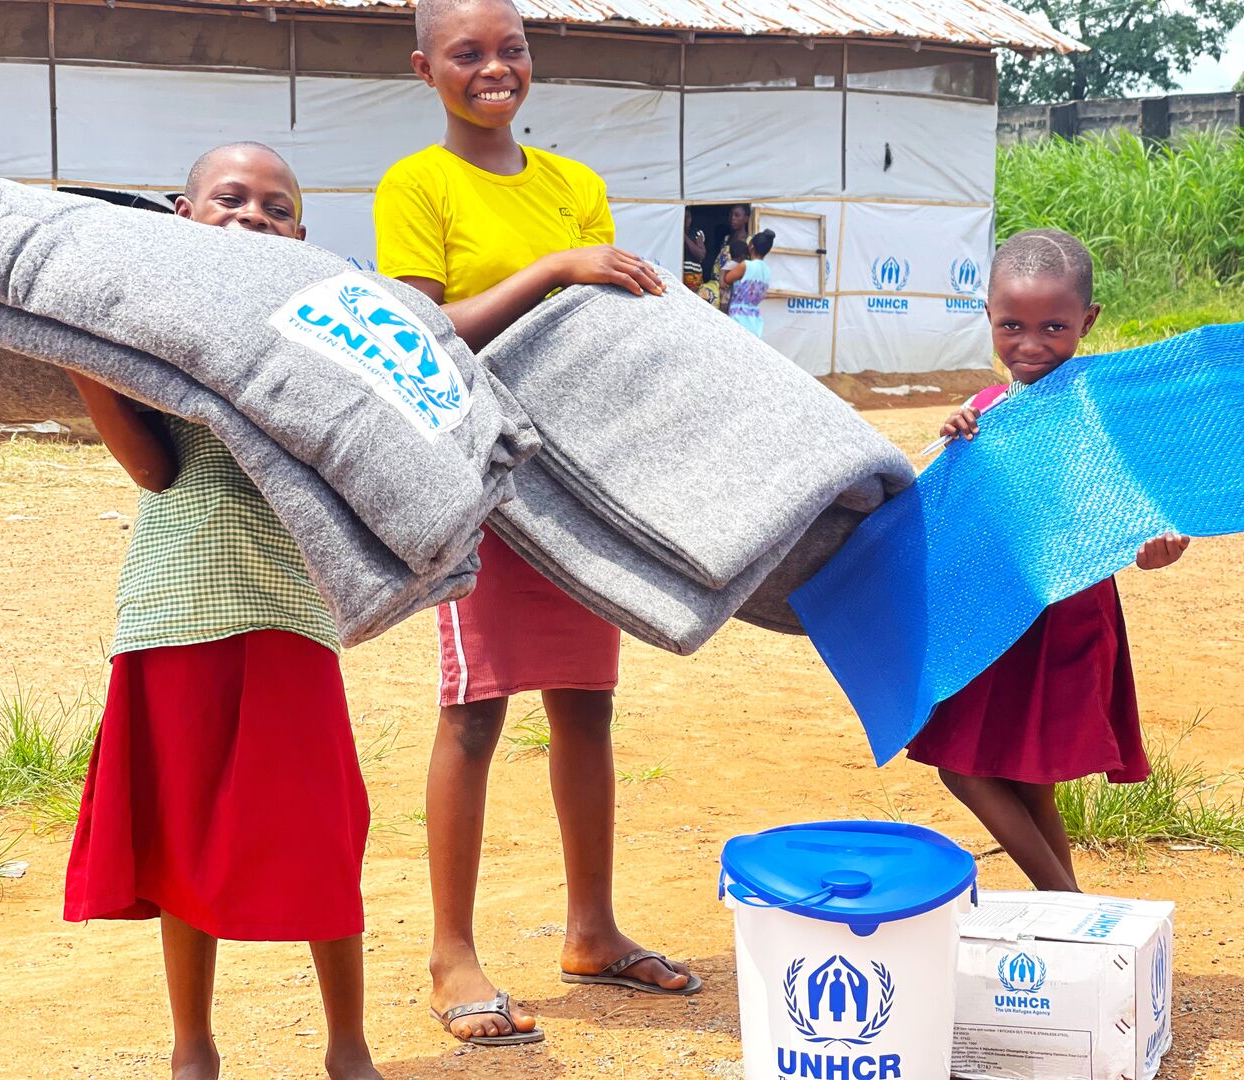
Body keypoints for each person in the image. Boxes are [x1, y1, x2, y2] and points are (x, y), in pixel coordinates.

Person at [372, 0, 701, 1050]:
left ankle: (592, 929)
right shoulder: (417, 185)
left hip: (575, 476)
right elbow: (416, 335)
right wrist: (557, 268)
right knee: (474, 710)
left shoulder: (574, 185)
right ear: (426, 68)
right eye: (467, 53)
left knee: (587, 704)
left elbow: (598, 331)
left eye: (510, 48)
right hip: (483, 478)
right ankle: (451, 952)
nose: (494, 67)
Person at [62, 143, 379, 1080]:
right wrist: (79, 349)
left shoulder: (322, 332)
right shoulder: (149, 332)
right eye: (229, 199)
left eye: (277, 207)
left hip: (290, 614)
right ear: (181, 213)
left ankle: (348, 1046)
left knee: (320, 832)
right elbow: (155, 468)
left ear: (302, 236)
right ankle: (192, 1047)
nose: (252, 216)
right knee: (178, 836)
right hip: (176, 607)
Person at [909, 228, 1191, 893]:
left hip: (1062, 619)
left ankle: (1065, 906)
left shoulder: (1095, 413)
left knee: (976, 767)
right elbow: (958, 503)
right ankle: (1071, 920)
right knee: (1019, 778)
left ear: (1087, 322)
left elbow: (1141, 521)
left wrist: (1157, 550)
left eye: (1054, 327)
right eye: (1013, 325)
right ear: (987, 315)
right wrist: (955, 438)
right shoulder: (983, 410)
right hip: (993, 619)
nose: (1031, 344)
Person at [723, 229, 775, 338]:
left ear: (751, 246)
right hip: (755, 319)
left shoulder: (746, 265)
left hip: (738, 316)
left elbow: (727, 279)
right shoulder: (767, 271)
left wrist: (730, 262)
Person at [714, 203, 751, 312]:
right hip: (717, 285)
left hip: (734, 289)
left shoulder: (749, 242)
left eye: (737, 215)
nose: (732, 218)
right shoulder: (726, 238)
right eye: (731, 215)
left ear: (746, 219)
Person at [682, 206, 705, 293]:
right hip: (679, 274)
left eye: (688, 217)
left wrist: (685, 237)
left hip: (694, 278)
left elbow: (701, 255)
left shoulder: (697, 233)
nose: (686, 220)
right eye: (684, 217)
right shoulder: (673, 232)